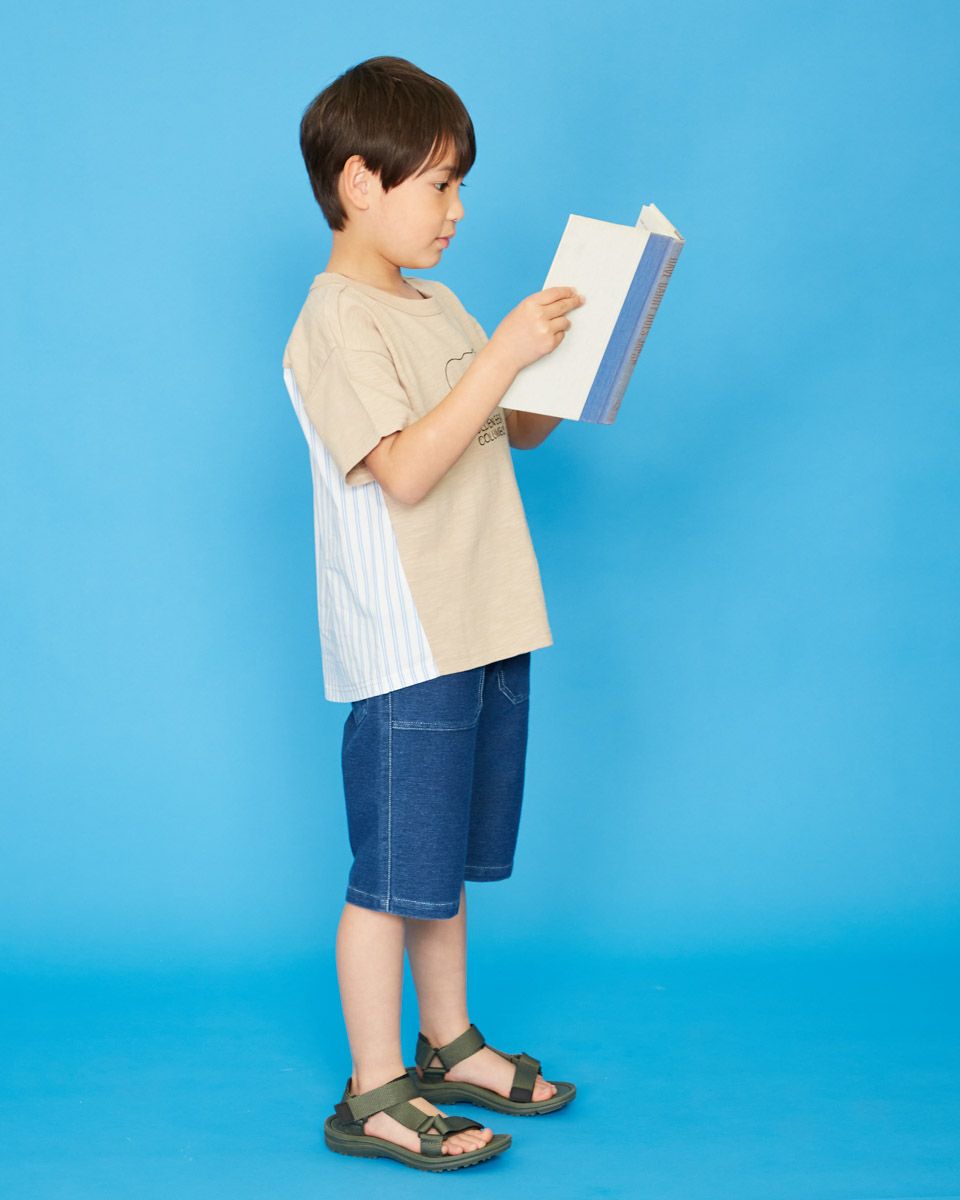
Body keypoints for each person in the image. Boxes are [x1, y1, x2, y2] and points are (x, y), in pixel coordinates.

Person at [281, 55, 583, 1172]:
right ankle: (372, 1091)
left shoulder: (439, 303)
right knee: (392, 872)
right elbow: (405, 469)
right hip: (410, 635)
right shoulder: (333, 321)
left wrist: (570, 365)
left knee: (443, 856)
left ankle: (448, 1043)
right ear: (361, 183)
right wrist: (501, 354)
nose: (457, 211)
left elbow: (511, 430)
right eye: (441, 185)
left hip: (486, 612)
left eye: (461, 187)